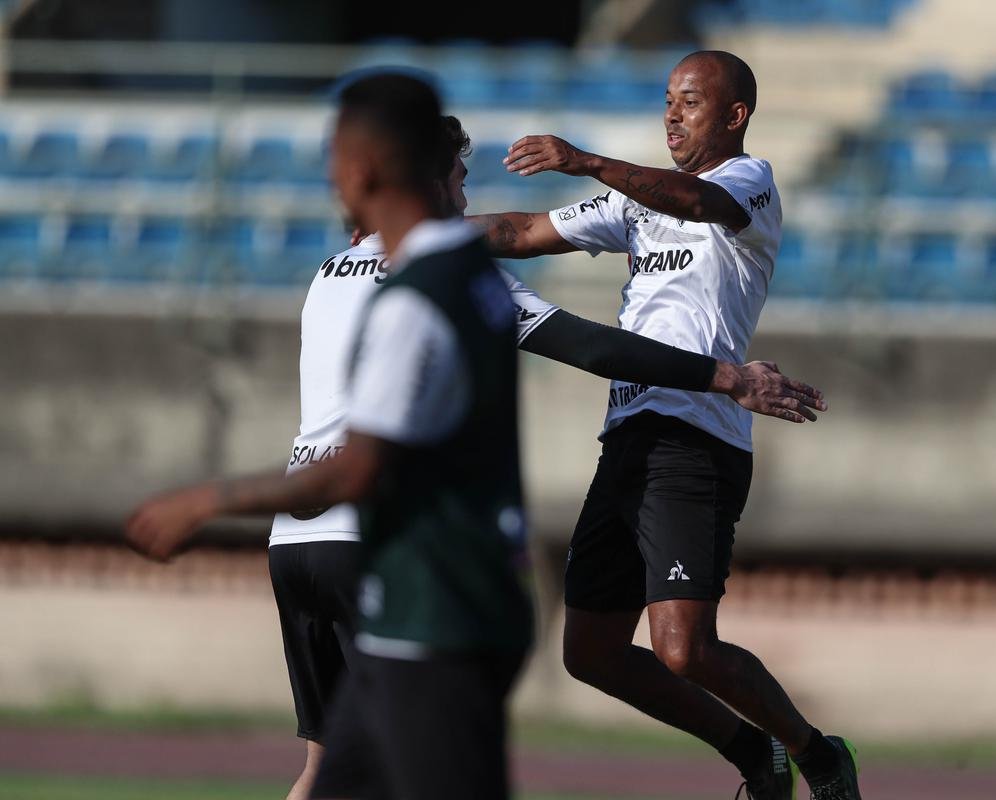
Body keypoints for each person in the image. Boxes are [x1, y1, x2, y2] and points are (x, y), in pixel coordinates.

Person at [269, 113, 827, 799]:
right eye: (460, 183)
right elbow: (585, 345)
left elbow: (508, 235)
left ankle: (780, 753)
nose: (469, 201)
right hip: (375, 544)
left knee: (324, 767)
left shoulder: (329, 271)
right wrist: (727, 376)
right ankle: (786, 754)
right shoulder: (454, 275)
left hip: (293, 542)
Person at [469, 50, 862, 800]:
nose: (671, 116)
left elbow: (693, 203)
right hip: (630, 435)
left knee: (683, 649)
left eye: (688, 102)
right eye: (667, 102)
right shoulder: (636, 205)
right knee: (590, 653)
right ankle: (755, 752)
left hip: (697, 436)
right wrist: (414, 236)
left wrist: (584, 160)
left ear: (735, 115)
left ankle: (815, 752)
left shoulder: (749, 185)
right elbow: (520, 232)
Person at [127, 71, 529, 799]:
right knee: (338, 780)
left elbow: (355, 471)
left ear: (364, 167)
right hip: (440, 601)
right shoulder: (473, 280)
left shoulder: (409, 299)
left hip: (433, 612)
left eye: (334, 158)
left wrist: (209, 500)